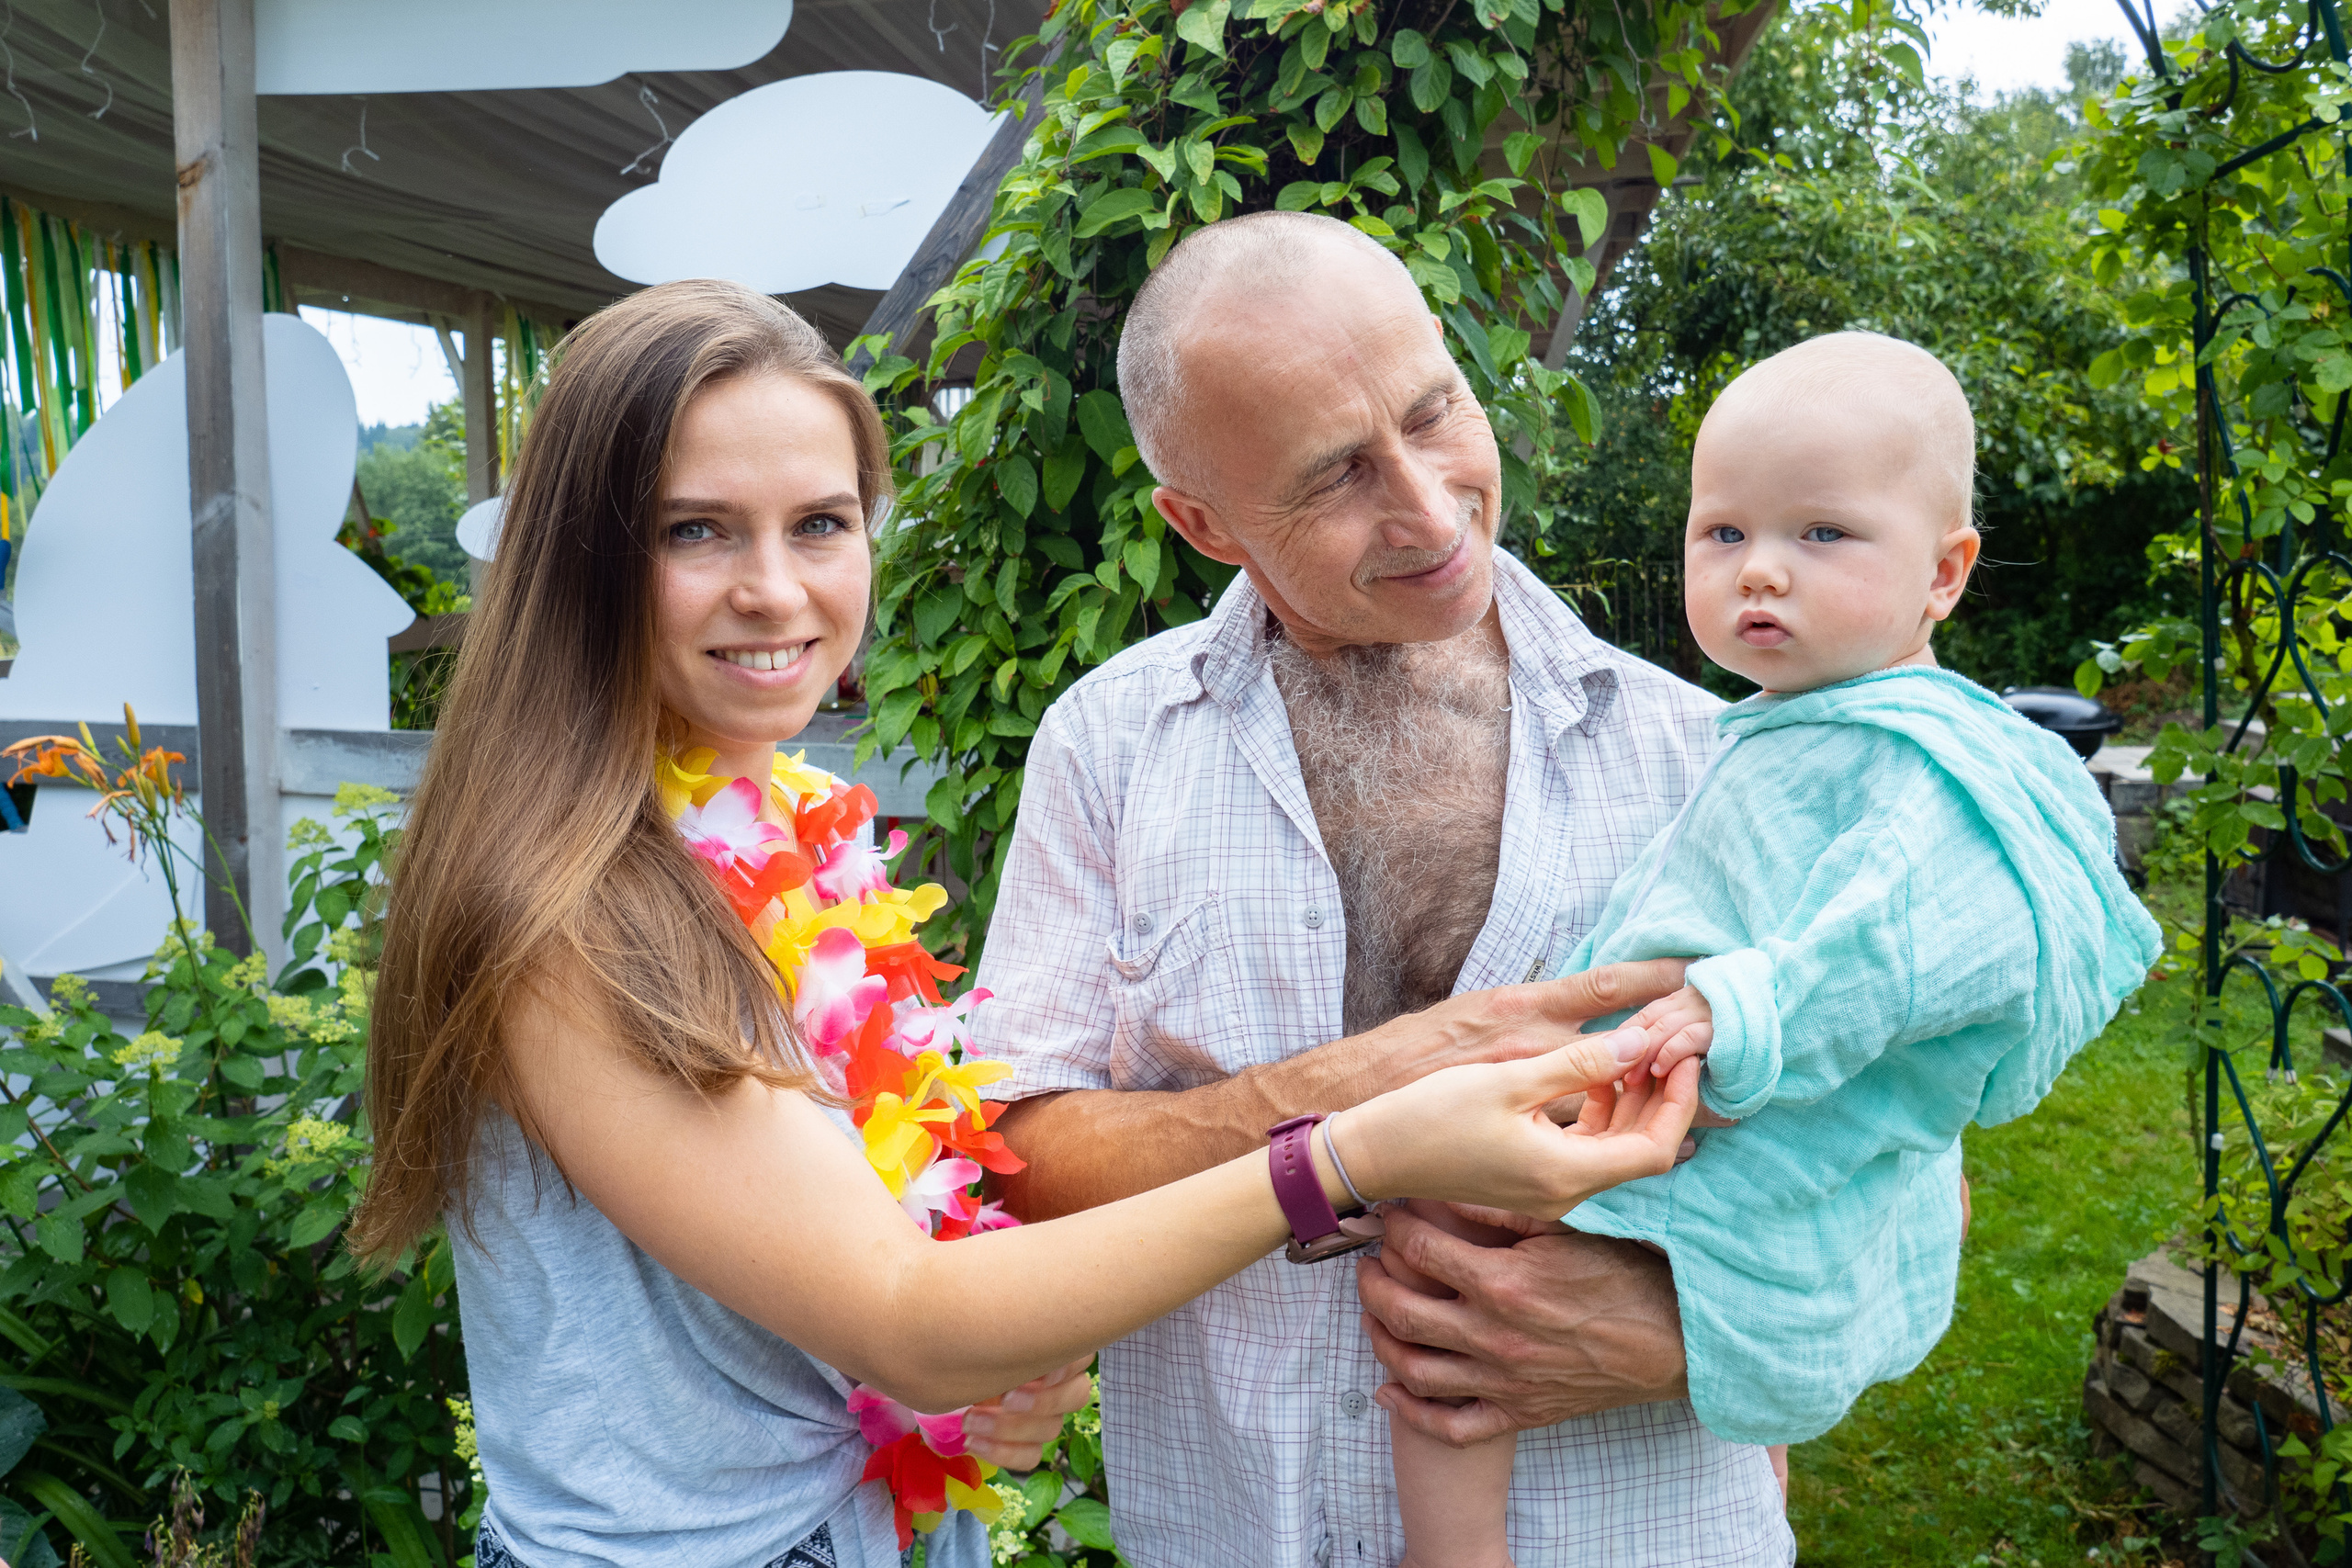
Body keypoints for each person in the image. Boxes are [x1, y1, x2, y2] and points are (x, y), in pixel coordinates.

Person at [347, 278, 1706, 1568]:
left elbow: (890, 1266)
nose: (777, 588)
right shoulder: (569, 909)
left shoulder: (795, 833)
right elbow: (907, 1317)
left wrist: (970, 1391)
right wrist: (1352, 1147)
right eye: (694, 530)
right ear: (578, 559)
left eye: (822, 523)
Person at [974, 209, 1796, 1565]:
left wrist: (1676, 1335)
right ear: (1202, 522)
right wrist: (1365, 1097)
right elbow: (1013, 1160)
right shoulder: (1111, 745)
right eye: (1334, 476)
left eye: (1434, 414)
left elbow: (1909, 1197)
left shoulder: (1705, 756)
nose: (1427, 509)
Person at [1378, 333, 2163, 1568]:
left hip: (1743, 1101)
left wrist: (1737, 1010)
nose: (1765, 574)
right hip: (1687, 1078)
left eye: (1823, 536)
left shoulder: (1928, 757)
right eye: (1725, 534)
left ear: (1945, 574)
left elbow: (1898, 938)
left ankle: (1455, 1553)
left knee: (1442, 1230)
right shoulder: (1791, 723)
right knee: (1443, 1228)